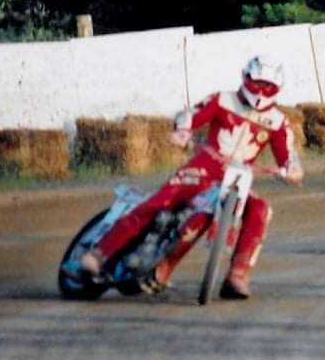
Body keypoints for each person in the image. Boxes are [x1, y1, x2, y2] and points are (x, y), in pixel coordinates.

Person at [77, 55, 303, 299]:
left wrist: (291, 170)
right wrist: (183, 131)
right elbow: (191, 115)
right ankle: (99, 253)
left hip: (239, 179)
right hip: (204, 168)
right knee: (160, 201)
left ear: (277, 89)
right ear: (245, 78)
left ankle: (238, 275)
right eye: (257, 83)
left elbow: (288, 155)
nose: (261, 91)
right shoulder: (222, 99)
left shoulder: (278, 122)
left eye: (268, 86)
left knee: (260, 209)